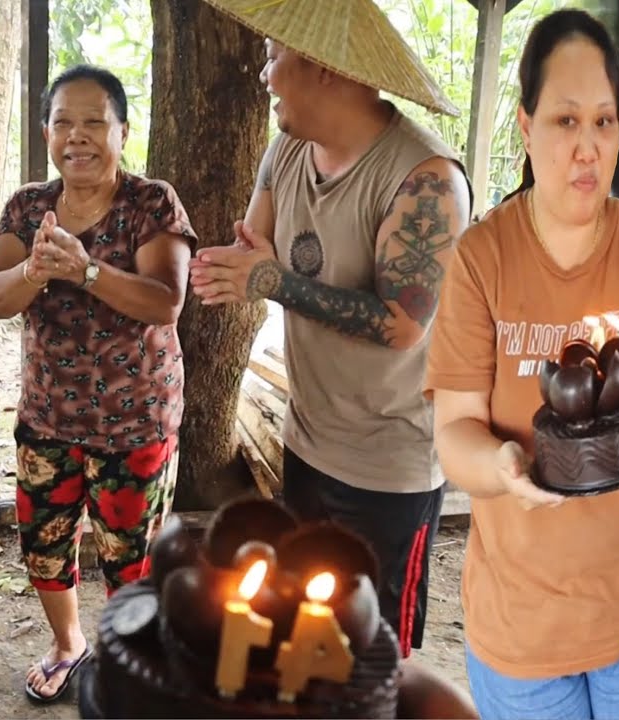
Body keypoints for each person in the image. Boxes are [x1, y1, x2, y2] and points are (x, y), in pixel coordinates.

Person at [188, 0, 471, 661]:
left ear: (323, 69)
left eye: (273, 58)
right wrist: (235, 266)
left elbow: (403, 324)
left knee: (372, 652)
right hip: (308, 438)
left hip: (389, 464)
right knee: (309, 632)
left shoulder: (425, 179)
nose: (265, 74)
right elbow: (256, 246)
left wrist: (270, 280)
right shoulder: (288, 149)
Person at [426, 9, 619, 719]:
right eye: (565, 121)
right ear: (525, 127)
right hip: (519, 631)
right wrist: (501, 468)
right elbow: (456, 430)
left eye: (604, 122)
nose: (587, 148)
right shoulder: (482, 259)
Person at [0, 64, 196, 703]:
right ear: (46, 131)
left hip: (135, 422)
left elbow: (166, 301)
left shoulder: (151, 202)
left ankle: (129, 654)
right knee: (44, 546)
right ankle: (68, 643)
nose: (78, 136)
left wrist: (86, 270)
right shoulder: (27, 206)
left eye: (94, 121)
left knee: (130, 556)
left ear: (122, 131)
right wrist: (37, 270)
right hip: (47, 417)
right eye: (63, 122)